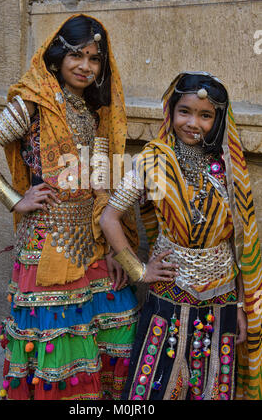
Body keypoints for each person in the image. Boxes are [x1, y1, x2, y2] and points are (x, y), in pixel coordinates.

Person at [0, 14, 139, 400]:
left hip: (90, 239)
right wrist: (15, 198)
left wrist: (113, 246)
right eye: (77, 55)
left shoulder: (93, 113)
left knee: (114, 324)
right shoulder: (34, 104)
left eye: (95, 59)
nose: (85, 66)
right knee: (57, 344)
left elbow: (98, 182)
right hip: (46, 243)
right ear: (58, 56)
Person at [100, 71, 262, 400]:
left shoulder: (230, 168)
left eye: (205, 116)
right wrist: (139, 271)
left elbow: (241, 245)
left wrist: (244, 307)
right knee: (156, 383)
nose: (193, 123)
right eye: (184, 112)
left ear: (218, 120)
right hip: (170, 292)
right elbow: (109, 218)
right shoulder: (151, 162)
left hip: (223, 297)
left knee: (213, 383)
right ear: (170, 112)